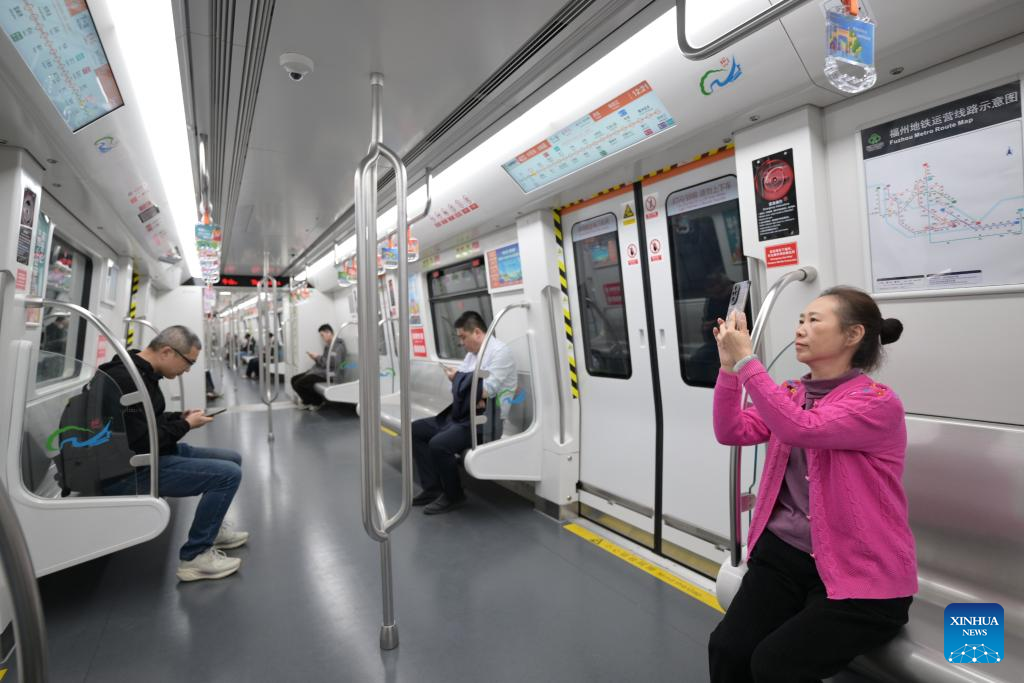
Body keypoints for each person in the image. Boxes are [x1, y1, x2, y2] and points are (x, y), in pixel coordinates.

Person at [707, 286, 916, 682]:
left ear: (853, 335)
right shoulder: (790, 393)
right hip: (785, 559)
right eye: (800, 320)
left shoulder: (875, 402)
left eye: (813, 321)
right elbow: (731, 429)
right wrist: (728, 370)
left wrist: (749, 361)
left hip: (862, 574)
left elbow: (802, 428)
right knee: (728, 649)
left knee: (775, 665)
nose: (800, 329)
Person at [99, 326, 249, 582]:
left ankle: (211, 531)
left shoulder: (142, 374)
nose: (188, 369)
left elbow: (146, 422)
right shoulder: (127, 380)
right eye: (188, 362)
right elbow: (143, 442)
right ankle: (195, 557)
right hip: (131, 470)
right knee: (228, 475)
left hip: (151, 455)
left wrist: (179, 417)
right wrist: (186, 425)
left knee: (231, 458)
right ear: (168, 352)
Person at [412, 311, 516, 515]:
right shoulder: (472, 355)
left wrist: (459, 378)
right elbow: (466, 385)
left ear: (477, 332)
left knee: (439, 444)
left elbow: (486, 391)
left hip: (485, 421)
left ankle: (454, 495)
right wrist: (460, 379)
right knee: (415, 430)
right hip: (463, 415)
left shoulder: (500, 352)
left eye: (463, 337)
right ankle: (433, 488)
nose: (461, 343)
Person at [291, 323, 345, 411]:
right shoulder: (329, 346)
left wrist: (317, 357)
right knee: (293, 379)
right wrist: (316, 358)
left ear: (329, 332)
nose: (322, 338)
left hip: (331, 375)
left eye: (322, 335)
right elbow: (325, 362)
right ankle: (307, 401)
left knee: (299, 383)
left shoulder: (339, 346)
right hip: (322, 372)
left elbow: (332, 363)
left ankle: (317, 401)